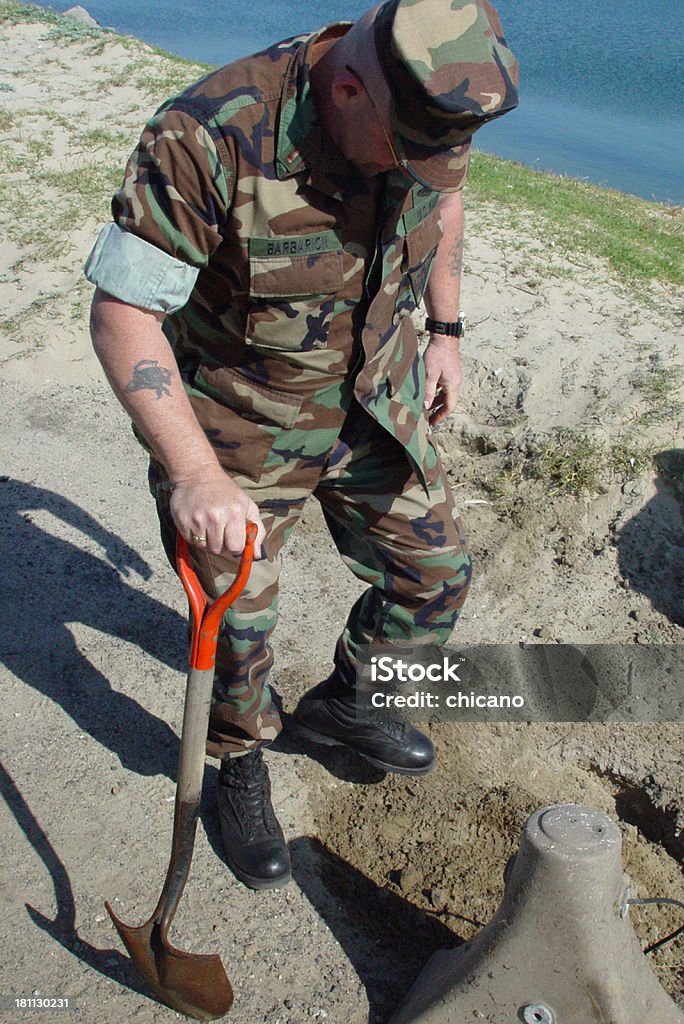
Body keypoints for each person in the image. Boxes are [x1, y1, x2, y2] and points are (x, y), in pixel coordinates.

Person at [85, 0, 519, 891]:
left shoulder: (421, 110)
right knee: (238, 627)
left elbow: (447, 187)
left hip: (376, 405)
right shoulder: (206, 136)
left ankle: (349, 704)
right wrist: (194, 474)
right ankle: (239, 760)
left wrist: (446, 328)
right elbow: (123, 312)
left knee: (436, 577)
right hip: (242, 434)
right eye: (404, 149)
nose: (423, 167)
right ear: (350, 87)